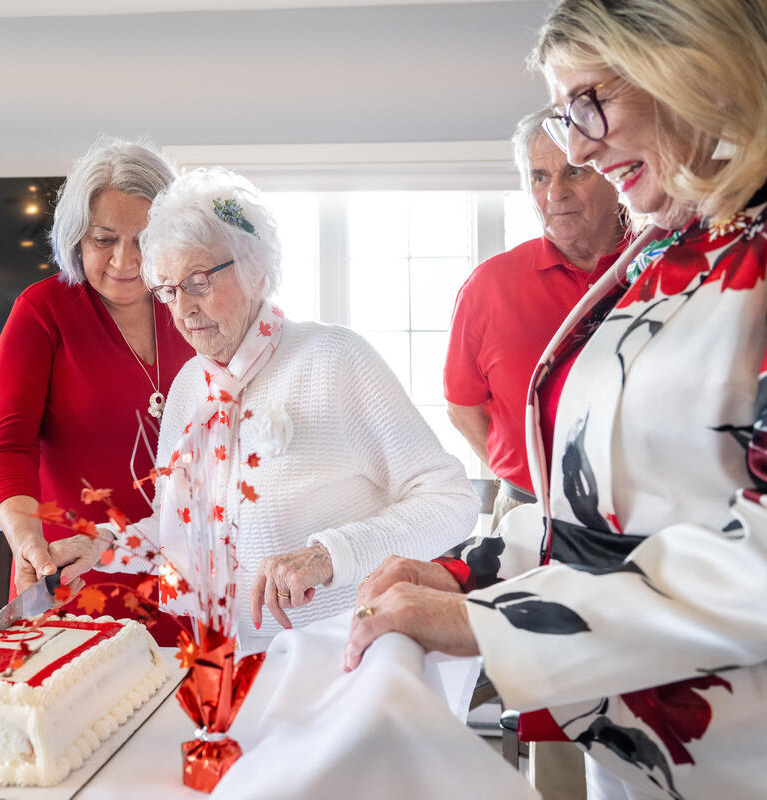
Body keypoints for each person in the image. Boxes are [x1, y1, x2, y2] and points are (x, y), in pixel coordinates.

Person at [345, 2, 767, 798]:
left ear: (692, 63)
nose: (576, 146)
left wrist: (492, 623)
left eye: (588, 102)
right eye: (562, 115)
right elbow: (609, 500)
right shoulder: (671, 245)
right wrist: (466, 575)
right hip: (634, 751)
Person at [51, 168, 478, 652]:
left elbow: (451, 501)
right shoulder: (191, 387)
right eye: (168, 290)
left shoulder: (334, 359)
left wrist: (328, 555)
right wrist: (104, 544)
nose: (183, 309)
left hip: (349, 657)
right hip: (226, 662)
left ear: (258, 271)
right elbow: (182, 532)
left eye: (197, 281)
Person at [0, 137, 193, 644]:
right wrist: (25, 536)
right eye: (104, 239)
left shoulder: (193, 308)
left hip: (184, 571)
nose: (126, 260)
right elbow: (9, 446)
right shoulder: (42, 312)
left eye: (145, 239)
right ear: (76, 236)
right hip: (74, 575)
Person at [446, 108, 628, 528]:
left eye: (575, 172)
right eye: (539, 177)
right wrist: (525, 479)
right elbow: (462, 407)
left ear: (613, 173)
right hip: (526, 514)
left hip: (641, 517)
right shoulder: (488, 285)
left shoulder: (660, 266)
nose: (555, 193)